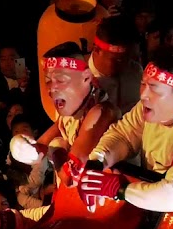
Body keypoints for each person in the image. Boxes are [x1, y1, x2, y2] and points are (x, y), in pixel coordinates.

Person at [79, 49, 173, 214]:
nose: (143, 95)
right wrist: (97, 162)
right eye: (143, 84)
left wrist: (118, 189)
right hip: (150, 198)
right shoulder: (150, 106)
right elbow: (124, 135)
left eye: (153, 88)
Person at [9, 42, 119, 206]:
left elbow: (69, 177)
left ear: (86, 78)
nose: (52, 89)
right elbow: (40, 148)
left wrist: (55, 150)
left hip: (107, 205)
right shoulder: (71, 109)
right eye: (48, 81)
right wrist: (22, 146)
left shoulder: (99, 113)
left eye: (60, 80)